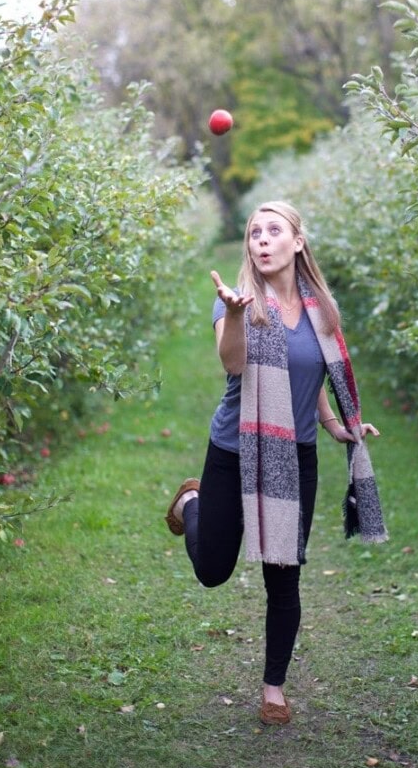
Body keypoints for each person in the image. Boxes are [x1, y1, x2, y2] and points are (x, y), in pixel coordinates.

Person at [165, 200, 387, 725]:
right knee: (212, 571)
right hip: (233, 451)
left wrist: (335, 424)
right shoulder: (237, 303)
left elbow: (307, 375)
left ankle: (273, 688)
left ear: (297, 243)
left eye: (273, 231)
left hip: (295, 456)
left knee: (282, 578)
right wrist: (237, 312)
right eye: (254, 233)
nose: (261, 240)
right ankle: (192, 499)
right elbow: (234, 362)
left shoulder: (320, 312)